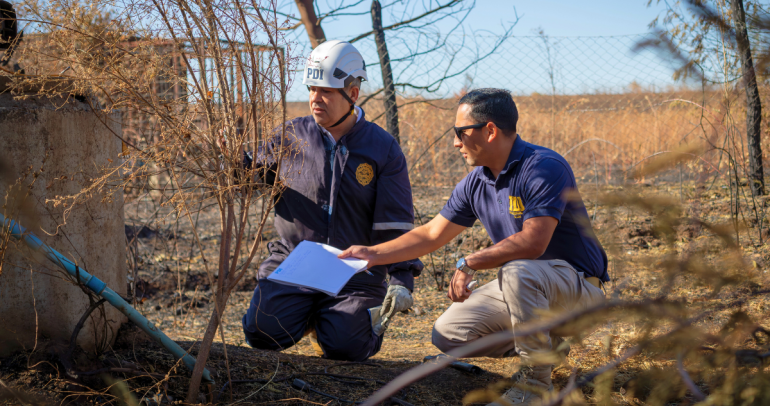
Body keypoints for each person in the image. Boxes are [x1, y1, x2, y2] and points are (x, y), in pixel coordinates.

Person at [340, 88, 608, 405]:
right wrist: (373, 254)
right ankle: (545, 349)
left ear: (490, 131)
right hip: (529, 289)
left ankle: (535, 387)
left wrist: (470, 261)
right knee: (449, 332)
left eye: (460, 133)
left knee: (518, 272)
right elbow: (431, 234)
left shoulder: (543, 167)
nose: (455, 143)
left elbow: (534, 242)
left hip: (579, 292)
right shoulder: (476, 182)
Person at [240, 40, 423, 362]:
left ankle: (335, 323)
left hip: (355, 268)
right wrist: (231, 162)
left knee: (346, 347)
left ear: (353, 93)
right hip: (295, 259)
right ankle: (310, 314)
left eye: (326, 91)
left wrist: (401, 278)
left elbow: (395, 222)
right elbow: (250, 176)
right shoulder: (290, 136)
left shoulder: (382, 148)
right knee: (262, 332)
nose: (315, 98)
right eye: (312, 89)